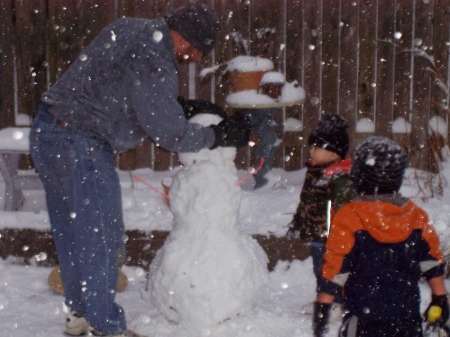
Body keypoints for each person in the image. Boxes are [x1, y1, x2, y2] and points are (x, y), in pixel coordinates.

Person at [29, 4, 251, 337]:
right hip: (80, 142)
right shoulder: (156, 58)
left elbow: (122, 90)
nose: (196, 59)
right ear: (186, 39)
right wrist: (216, 135)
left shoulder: (131, 28)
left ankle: (79, 315)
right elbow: (169, 134)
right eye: (197, 51)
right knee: (102, 237)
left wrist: (180, 107)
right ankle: (106, 327)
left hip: (48, 132)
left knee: (73, 232)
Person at [312, 136, 449, 337]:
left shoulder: (350, 217)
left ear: (358, 176)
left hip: (362, 317)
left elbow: (336, 265)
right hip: (405, 318)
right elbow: (431, 262)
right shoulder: (415, 216)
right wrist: (440, 297)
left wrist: (323, 305)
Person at [285, 113, 356, 323]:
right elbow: (308, 199)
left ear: (334, 154)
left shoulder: (340, 178)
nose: (311, 151)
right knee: (320, 269)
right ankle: (324, 299)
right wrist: (299, 218)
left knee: (335, 269)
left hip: (333, 238)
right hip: (318, 235)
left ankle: (338, 303)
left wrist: (342, 235)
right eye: (311, 146)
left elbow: (345, 211)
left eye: (317, 147)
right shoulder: (315, 171)